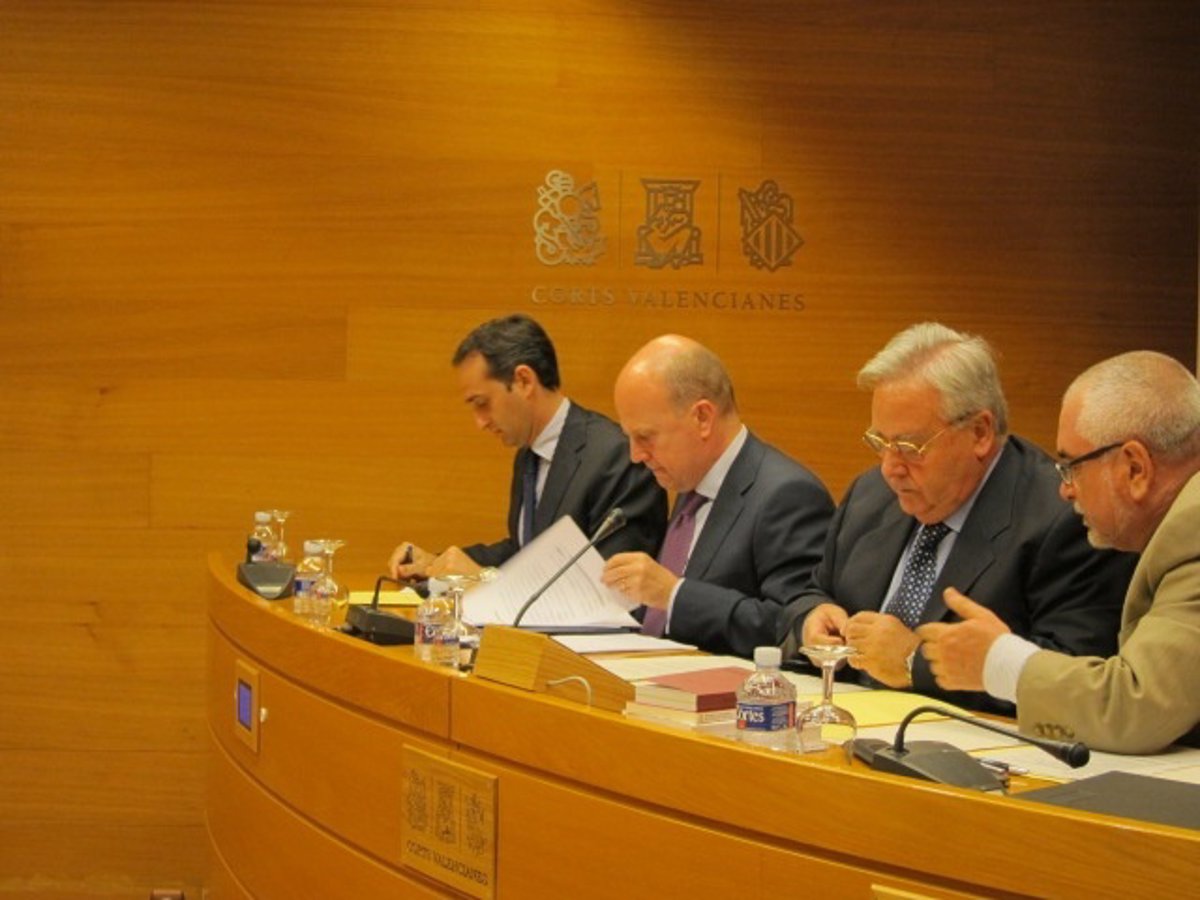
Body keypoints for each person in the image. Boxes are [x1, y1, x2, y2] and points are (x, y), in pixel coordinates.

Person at [777, 322, 1134, 712]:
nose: (890, 468)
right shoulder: (870, 494)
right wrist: (810, 619)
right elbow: (812, 591)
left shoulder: (1064, 518)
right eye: (880, 442)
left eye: (910, 446)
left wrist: (915, 662)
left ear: (980, 432)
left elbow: (1071, 679)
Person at [919, 351, 1200, 753]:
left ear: (1135, 468)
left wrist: (998, 662)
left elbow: (1137, 708)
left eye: (1071, 467)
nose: (1065, 491)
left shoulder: (1192, 531)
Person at [600, 334, 834, 657]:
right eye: (629, 437)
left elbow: (792, 627)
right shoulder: (691, 482)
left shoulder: (788, 496)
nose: (635, 455)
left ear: (702, 418)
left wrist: (675, 594)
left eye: (645, 437)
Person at [388, 314, 667, 579]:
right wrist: (435, 564)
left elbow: (613, 588)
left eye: (482, 403)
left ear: (524, 381)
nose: (480, 422)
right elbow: (524, 553)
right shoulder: (529, 455)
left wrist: (482, 579)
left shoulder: (617, 459)